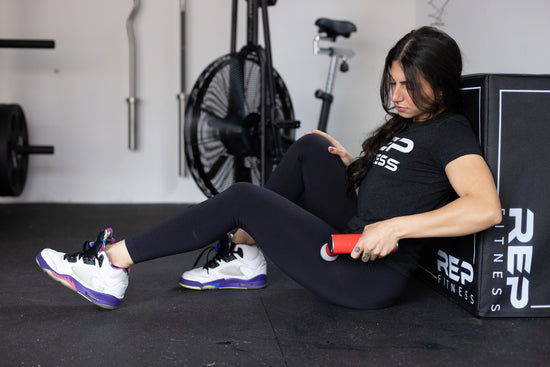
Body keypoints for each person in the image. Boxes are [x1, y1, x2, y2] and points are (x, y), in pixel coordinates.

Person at [36, 26, 502, 310]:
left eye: (409, 86)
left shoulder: (450, 131)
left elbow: (485, 208)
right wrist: (355, 165)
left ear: (441, 86)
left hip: (367, 274)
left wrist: (397, 228)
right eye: (394, 82)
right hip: (357, 228)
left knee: (243, 199)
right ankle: (245, 257)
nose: (396, 95)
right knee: (310, 147)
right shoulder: (412, 121)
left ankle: (112, 265)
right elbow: (406, 180)